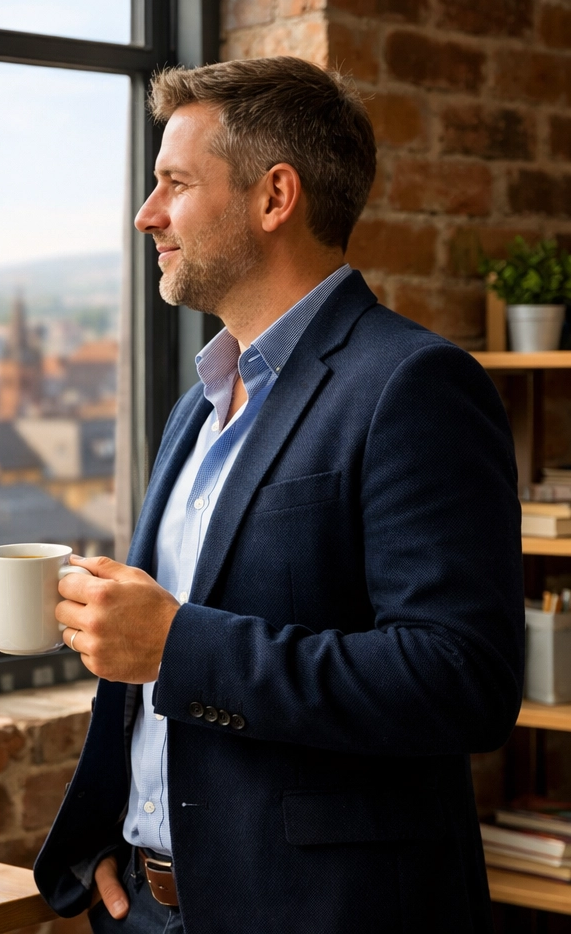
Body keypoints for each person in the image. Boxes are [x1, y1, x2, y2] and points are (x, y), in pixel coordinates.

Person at [33, 57, 524, 934]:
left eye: (174, 183)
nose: (147, 214)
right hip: (148, 909)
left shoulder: (415, 386)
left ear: (274, 197)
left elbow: (461, 681)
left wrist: (178, 644)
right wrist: (113, 834)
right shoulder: (199, 404)